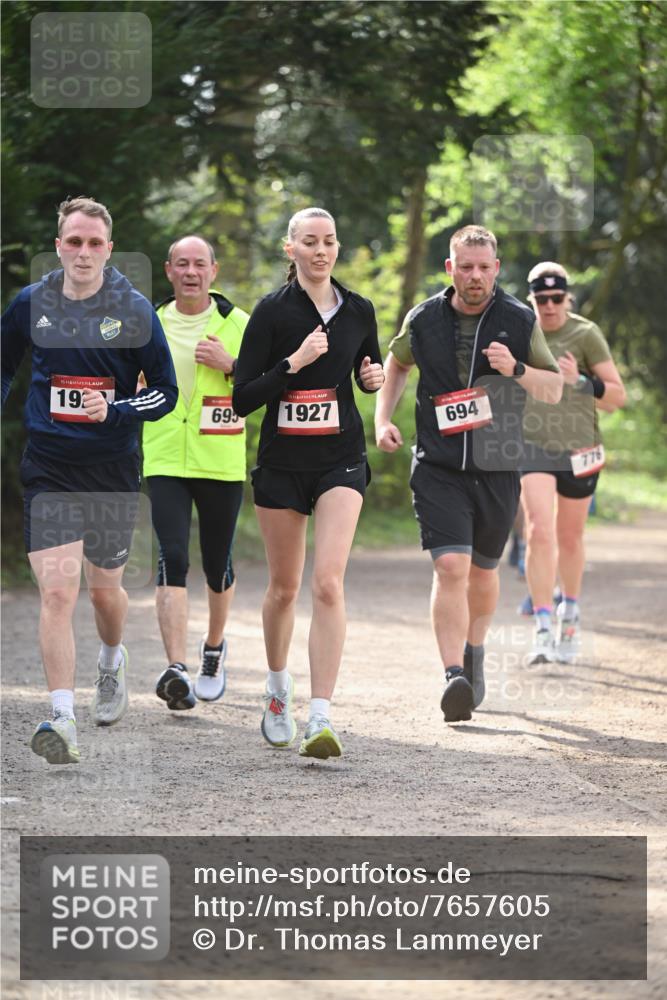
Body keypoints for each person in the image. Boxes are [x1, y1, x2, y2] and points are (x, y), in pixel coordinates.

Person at [1, 195, 177, 764]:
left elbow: (166, 392)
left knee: (105, 593)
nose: (83, 251)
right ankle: (61, 717)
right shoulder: (32, 302)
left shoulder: (134, 309)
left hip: (111, 470)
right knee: (58, 592)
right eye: (73, 241)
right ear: (58, 246)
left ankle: (111, 659)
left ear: (109, 249)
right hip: (49, 467)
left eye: (94, 243)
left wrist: (118, 409)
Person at [374, 225, 563, 723]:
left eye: (483, 267)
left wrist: (516, 369)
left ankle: (474, 651)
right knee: (451, 567)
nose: (475, 276)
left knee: (483, 571)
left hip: (497, 466)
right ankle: (453, 674)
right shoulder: (424, 318)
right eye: (465, 266)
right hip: (438, 465)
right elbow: (397, 365)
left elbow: (553, 389)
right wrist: (382, 419)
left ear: (496, 268)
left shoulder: (519, 319)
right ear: (450, 268)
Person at [232, 207, 383, 760]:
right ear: (290, 248)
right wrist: (292, 363)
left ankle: (321, 715)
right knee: (283, 589)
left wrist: (372, 378)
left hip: (340, 459)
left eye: (330, 241)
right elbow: (241, 398)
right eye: (310, 242)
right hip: (283, 464)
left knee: (328, 584)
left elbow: (367, 371)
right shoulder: (272, 312)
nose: (321, 251)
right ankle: (278, 688)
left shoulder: (359, 309)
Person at [143, 235, 249, 710]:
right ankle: (176, 668)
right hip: (165, 454)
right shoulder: (148, 323)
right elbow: (125, 379)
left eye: (199, 264)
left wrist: (231, 366)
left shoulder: (240, 323)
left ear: (213, 271)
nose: (191, 272)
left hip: (220, 458)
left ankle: (214, 647)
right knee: (171, 556)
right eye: (182, 264)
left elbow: (268, 384)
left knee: (216, 562)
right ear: (169, 271)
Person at [520, 262, 626, 664]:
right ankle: (542, 625)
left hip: (581, 449)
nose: (549, 306)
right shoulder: (521, 330)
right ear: (531, 299)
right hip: (532, 445)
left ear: (567, 298)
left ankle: (570, 613)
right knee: (538, 529)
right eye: (541, 299)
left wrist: (580, 381)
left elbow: (617, 397)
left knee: (569, 536)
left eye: (556, 298)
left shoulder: (585, 333)